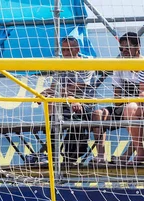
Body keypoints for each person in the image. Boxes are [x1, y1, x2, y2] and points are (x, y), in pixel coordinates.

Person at [36, 36, 104, 164]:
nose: (65, 53)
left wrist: (65, 96)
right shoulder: (60, 65)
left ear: (77, 49)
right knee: (51, 104)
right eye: (63, 50)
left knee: (73, 118)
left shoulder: (87, 63)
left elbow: (77, 87)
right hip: (66, 103)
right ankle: (50, 154)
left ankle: (68, 157)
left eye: (68, 50)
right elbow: (54, 87)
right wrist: (44, 95)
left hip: (85, 104)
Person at [97, 32, 144, 164]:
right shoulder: (119, 65)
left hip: (138, 107)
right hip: (125, 105)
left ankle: (129, 155)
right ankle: (101, 155)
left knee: (132, 112)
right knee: (98, 114)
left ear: (137, 47)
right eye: (121, 48)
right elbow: (116, 98)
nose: (123, 50)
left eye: (127, 47)